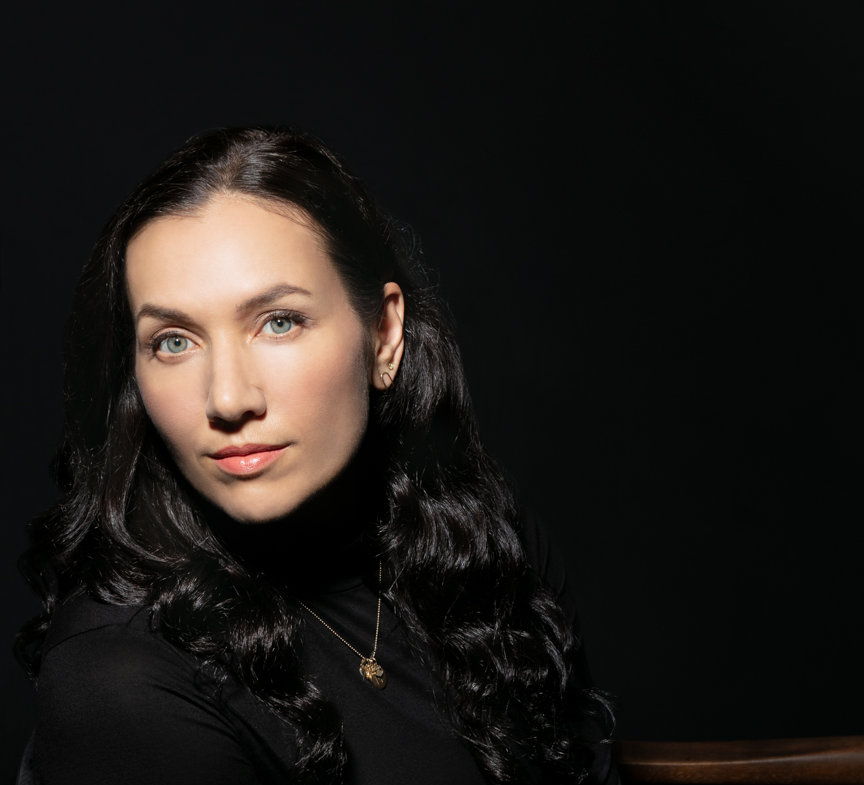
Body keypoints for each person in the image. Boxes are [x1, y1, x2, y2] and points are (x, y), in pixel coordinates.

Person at [15, 126, 619, 785]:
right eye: (174, 341)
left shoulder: (485, 538)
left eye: (278, 321)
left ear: (384, 336)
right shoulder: (117, 682)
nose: (227, 397)